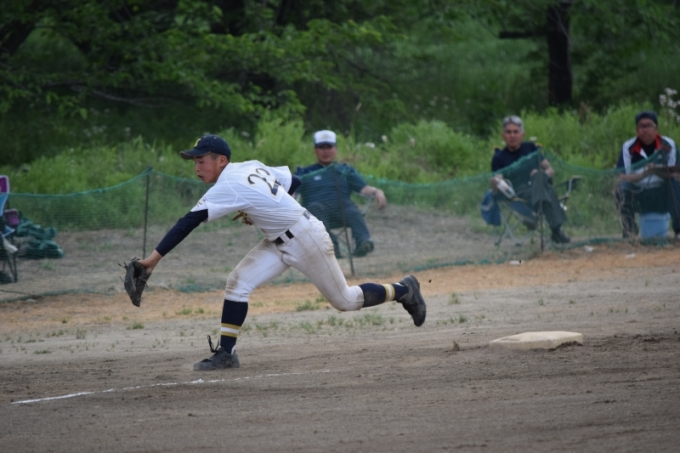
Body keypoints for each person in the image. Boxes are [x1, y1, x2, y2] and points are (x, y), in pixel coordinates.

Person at [135, 134, 426, 371]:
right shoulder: (249, 166)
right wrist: (267, 206)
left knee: (346, 300)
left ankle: (405, 290)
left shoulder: (229, 184)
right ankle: (226, 354)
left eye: (201, 160)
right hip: (278, 241)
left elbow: (187, 222)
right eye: (195, 161)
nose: (196, 167)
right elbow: (293, 182)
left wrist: (150, 262)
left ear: (221, 160)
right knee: (237, 283)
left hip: (306, 238)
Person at [295, 130, 386, 258]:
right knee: (314, 208)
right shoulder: (304, 172)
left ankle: (363, 242)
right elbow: (292, 192)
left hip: (341, 210)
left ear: (335, 149)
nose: (325, 151)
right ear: (315, 150)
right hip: (316, 214)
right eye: (321, 147)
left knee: (352, 209)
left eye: (329, 147)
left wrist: (377, 191)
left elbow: (364, 189)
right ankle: (330, 244)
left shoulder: (345, 170)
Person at [489, 115, 571, 244]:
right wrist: (495, 181)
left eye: (516, 132)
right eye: (508, 132)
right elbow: (497, 180)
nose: (512, 135)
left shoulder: (531, 148)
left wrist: (539, 174)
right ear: (503, 136)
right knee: (549, 191)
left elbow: (550, 170)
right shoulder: (499, 158)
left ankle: (533, 217)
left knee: (539, 176)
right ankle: (556, 231)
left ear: (522, 135)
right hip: (520, 192)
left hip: (538, 184)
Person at [614, 110, 680, 239]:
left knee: (674, 184)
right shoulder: (628, 147)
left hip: (662, 192)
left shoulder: (668, 145)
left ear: (656, 129)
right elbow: (622, 177)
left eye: (649, 125)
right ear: (636, 130)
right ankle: (629, 232)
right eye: (641, 126)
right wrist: (645, 173)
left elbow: (676, 174)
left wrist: (656, 171)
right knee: (621, 188)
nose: (645, 130)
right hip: (639, 193)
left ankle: (678, 230)